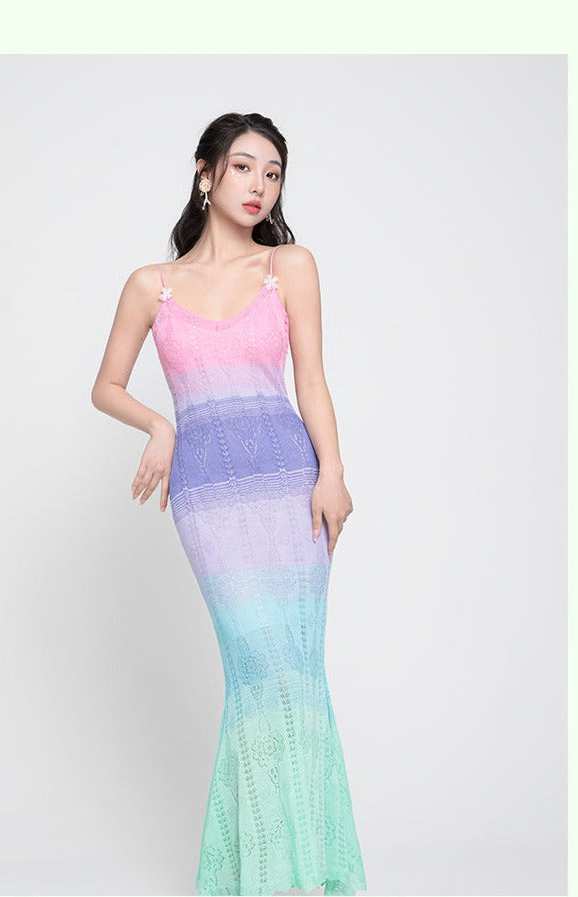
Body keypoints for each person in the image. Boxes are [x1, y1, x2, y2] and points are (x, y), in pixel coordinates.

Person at [91, 112, 367, 897]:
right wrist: (159, 425)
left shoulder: (289, 266)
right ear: (205, 172)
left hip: (290, 484)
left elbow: (310, 380)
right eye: (243, 166)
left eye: (272, 173)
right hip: (207, 495)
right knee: (256, 671)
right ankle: (270, 874)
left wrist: (333, 471)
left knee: (294, 673)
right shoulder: (151, 284)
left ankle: (296, 876)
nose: (259, 185)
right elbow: (105, 385)